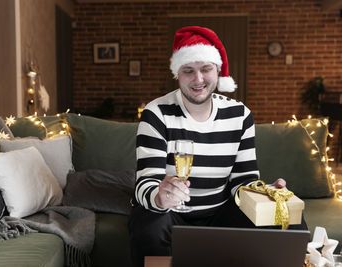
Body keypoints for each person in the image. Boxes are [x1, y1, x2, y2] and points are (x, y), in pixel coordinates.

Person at [128, 26, 307, 267]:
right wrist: (160, 198)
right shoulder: (156, 113)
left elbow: (242, 182)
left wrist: (264, 193)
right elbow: (145, 182)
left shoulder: (240, 115)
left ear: (217, 70)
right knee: (148, 223)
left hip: (221, 213)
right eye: (188, 70)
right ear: (177, 73)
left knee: (287, 217)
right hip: (171, 214)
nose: (198, 79)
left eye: (206, 69)